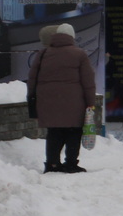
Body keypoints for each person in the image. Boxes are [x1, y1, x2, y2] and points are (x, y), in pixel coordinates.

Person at [27, 23, 95, 173]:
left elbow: (32, 79)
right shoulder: (79, 54)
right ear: (72, 36)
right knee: (74, 132)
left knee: (54, 132)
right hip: (74, 102)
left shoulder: (43, 54)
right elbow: (88, 81)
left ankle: (52, 164)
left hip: (48, 101)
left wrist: (32, 97)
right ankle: (70, 163)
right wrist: (90, 102)